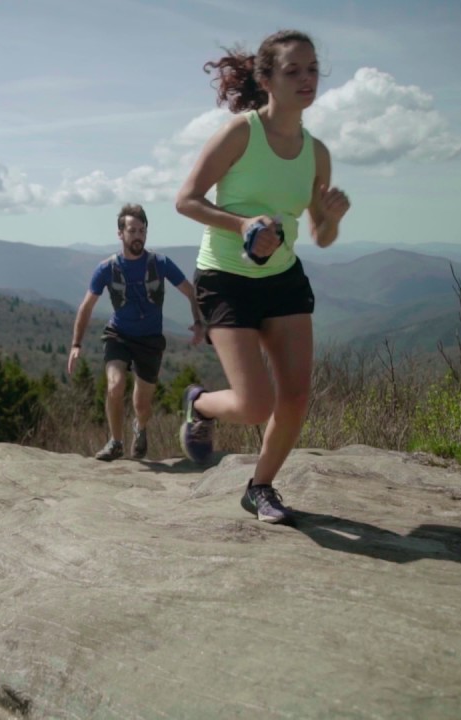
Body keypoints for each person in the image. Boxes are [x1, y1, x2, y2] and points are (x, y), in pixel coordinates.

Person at [174, 30, 351, 523]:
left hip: (284, 280)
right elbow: (185, 199)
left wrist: (331, 217)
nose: (307, 79)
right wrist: (243, 225)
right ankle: (202, 405)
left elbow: (321, 235)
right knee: (255, 404)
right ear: (266, 78)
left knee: (294, 399)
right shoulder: (241, 134)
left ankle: (261, 487)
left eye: (312, 69)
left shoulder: (317, 153)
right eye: (293, 70)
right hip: (226, 276)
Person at [68, 203, 205, 461]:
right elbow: (86, 307)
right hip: (118, 334)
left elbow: (190, 292)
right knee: (115, 385)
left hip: (150, 340)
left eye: (142, 230)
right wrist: (76, 344)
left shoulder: (160, 263)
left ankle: (140, 428)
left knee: (142, 406)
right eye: (132, 230)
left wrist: (198, 323)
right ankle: (115, 441)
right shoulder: (106, 268)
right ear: (120, 233)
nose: (138, 235)